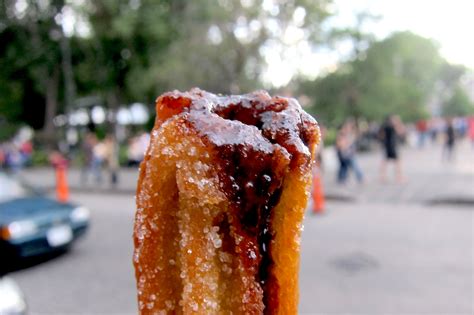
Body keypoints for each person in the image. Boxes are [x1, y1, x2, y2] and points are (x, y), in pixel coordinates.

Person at [379, 115, 405, 183]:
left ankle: (383, 177)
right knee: (397, 162)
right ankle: (399, 178)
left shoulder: (385, 126)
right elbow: (401, 133)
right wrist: (399, 124)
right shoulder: (393, 126)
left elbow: (381, 136)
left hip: (387, 145)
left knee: (385, 162)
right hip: (392, 146)